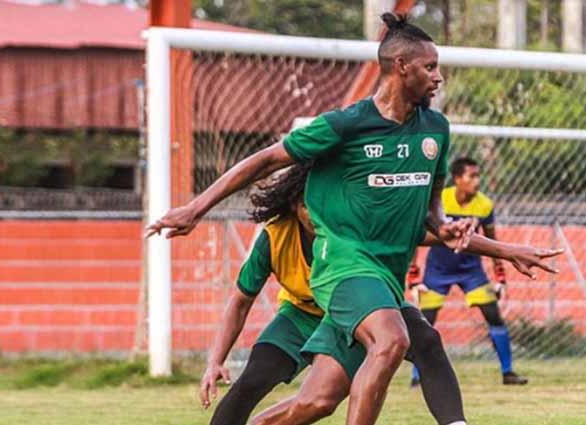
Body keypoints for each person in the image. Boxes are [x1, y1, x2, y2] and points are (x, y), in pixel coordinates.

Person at [147, 13, 559, 424]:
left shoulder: (435, 130)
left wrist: (452, 227)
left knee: (322, 399)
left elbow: (431, 212)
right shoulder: (346, 125)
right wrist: (195, 208)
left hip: (384, 279)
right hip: (342, 268)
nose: (439, 77)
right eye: (430, 67)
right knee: (392, 339)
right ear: (401, 67)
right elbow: (267, 159)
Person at [200, 163, 466, 425]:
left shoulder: (355, 223)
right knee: (255, 379)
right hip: (302, 314)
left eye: (324, 200)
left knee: (427, 340)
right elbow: (240, 302)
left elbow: (431, 236)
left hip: (360, 309)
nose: (317, 211)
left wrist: (498, 248)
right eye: (307, 204)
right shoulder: (275, 237)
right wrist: (215, 361)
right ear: (294, 205)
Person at [410, 157, 527, 388]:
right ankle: (417, 375)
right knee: (425, 322)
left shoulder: (484, 205)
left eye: (478, 175)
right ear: (457, 179)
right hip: (438, 270)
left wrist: (500, 278)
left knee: (493, 316)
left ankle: (508, 372)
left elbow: (493, 242)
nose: (477, 181)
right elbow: (417, 236)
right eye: (472, 176)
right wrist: (413, 277)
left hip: (471, 271)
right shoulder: (440, 200)